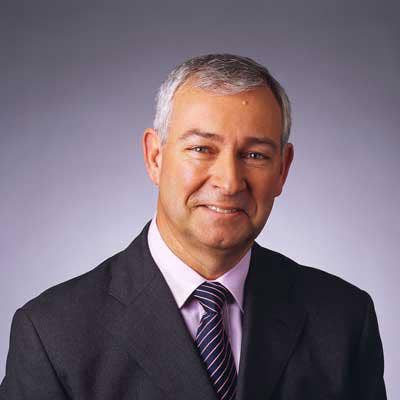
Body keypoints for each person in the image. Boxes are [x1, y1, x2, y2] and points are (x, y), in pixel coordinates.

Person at [0, 54, 386, 400]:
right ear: (155, 156)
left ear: (282, 169)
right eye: (202, 149)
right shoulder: (52, 334)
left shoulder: (344, 320)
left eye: (255, 155)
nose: (229, 182)